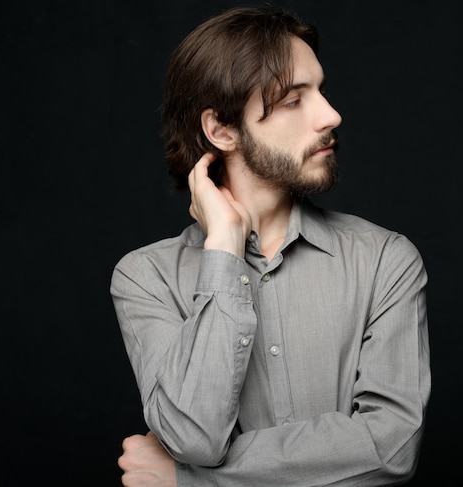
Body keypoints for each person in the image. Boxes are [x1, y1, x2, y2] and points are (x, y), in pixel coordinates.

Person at [110, 6, 431, 487]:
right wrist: (223, 250)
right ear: (221, 130)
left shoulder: (385, 259)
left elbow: (391, 446)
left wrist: (190, 479)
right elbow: (195, 436)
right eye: (293, 101)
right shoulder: (145, 278)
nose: (331, 114)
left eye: (320, 90)